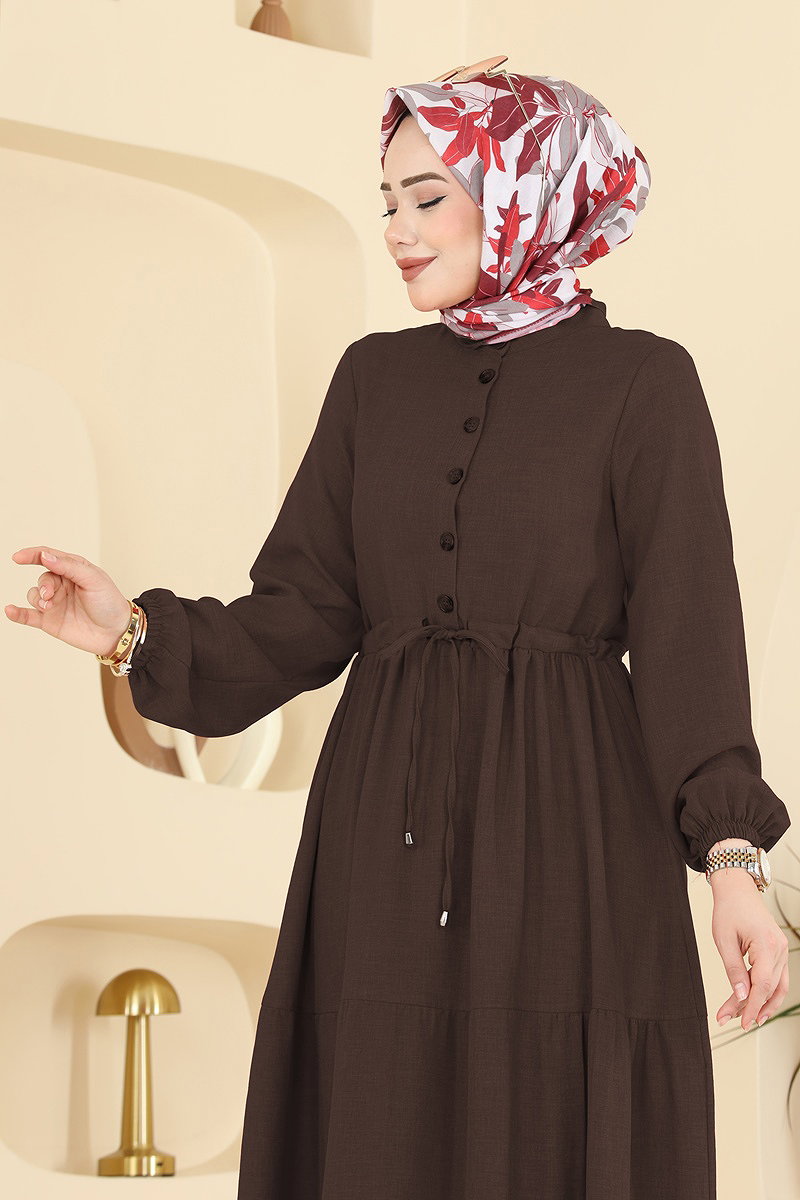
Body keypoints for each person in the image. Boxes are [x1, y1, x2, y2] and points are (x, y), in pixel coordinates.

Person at [6, 61, 791, 1198]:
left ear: (522, 196)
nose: (397, 231)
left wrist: (731, 866)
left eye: (428, 198)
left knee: (545, 1114)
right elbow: (304, 612)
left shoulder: (643, 383)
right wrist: (131, 632)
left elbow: (690, 643)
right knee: (380, 1112)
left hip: (571, 836)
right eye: (386, 201)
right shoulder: (372, 380)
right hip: (385, 828)